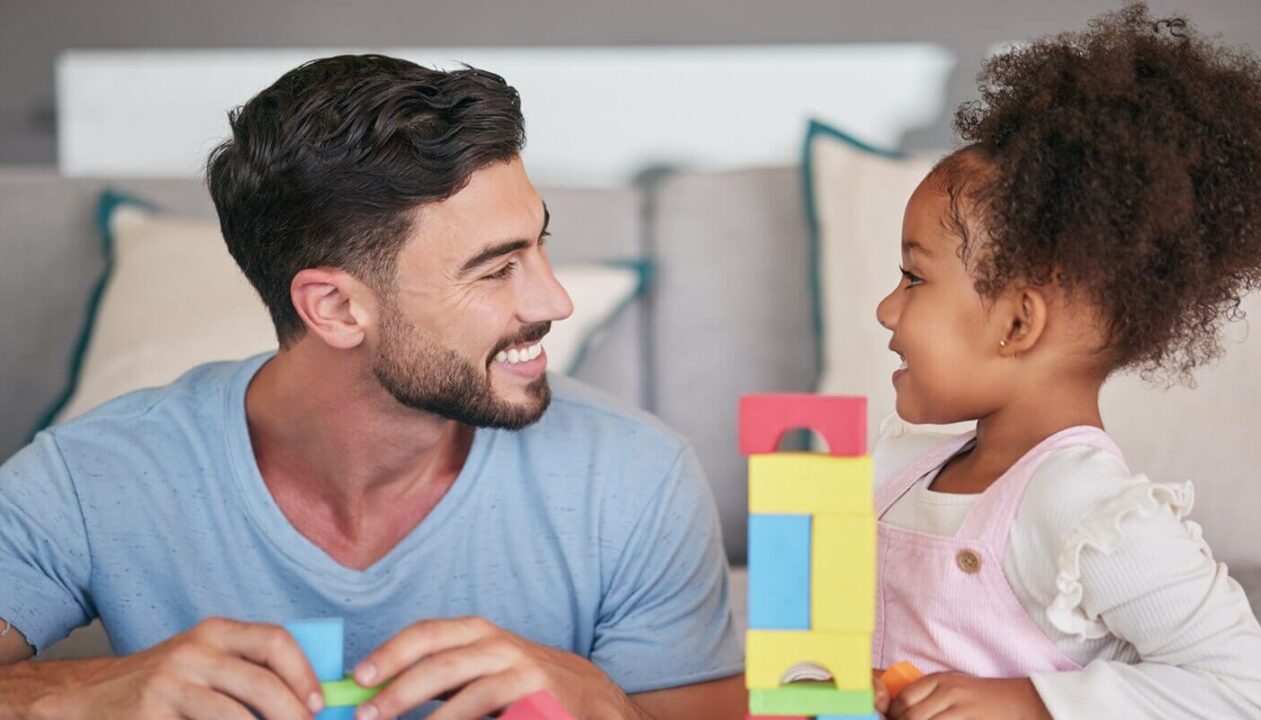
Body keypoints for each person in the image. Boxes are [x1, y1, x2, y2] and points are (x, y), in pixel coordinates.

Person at [0, 54, 745, 720]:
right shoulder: (94, 474)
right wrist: (73, 692)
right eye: (495, 269)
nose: (554, 301)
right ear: (334, 308)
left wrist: (607, 705)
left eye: (538, 244)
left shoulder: (635, 477)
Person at [869, 5, 1261, 718]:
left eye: (914, 279)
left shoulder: (1085, 508)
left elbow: (1250, 692)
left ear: (1019, 321)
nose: (886, 309)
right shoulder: (905, 469)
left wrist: (1034, 702)